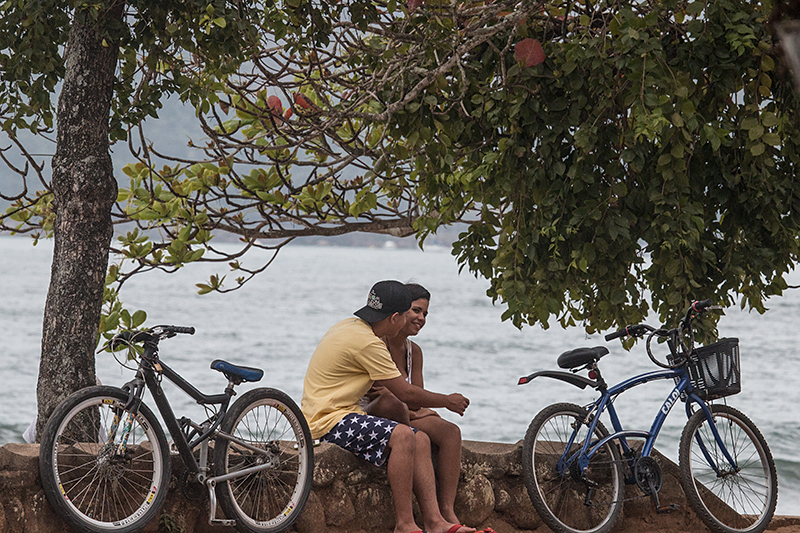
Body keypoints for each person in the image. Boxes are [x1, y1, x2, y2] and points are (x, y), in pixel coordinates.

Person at [301, 280, 475, 533]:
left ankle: (435, 521)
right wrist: (447, 401)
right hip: (327, 420)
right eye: (407, 315)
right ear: (395, 317)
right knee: (404, 435)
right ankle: (404, 524)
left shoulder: (350, 325)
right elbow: (404, 392)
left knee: (421, 440)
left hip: (344, 414)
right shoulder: (369, 343)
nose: (411, 321)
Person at [364, 283, 464, 526]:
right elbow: (389, 394)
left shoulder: (414, 352)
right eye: (416, 311)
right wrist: (443, 401)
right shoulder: (378, 344)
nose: (421, 318)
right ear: (398, 312)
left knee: (451, 432)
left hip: (406, 412)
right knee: (395, 406)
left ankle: (447, 513)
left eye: (425, 314)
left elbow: (415, 396)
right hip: (377, 411)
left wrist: (419, 408)